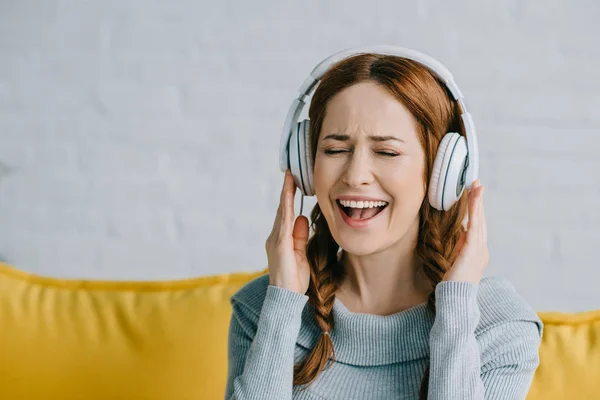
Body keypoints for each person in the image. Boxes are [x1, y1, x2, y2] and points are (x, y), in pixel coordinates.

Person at [224, 46, 543, 400]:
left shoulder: (499, 326)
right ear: (305, 165)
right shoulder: (263, 308)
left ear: (441, 174)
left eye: (387, 152)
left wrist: (456, 311)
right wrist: (282, 303)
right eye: (335, 150)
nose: (356, 175)